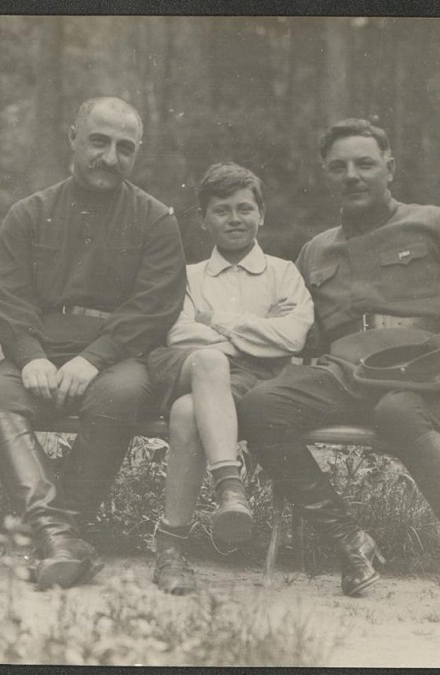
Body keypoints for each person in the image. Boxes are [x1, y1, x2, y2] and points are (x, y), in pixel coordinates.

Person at [238, 119, 440, 626]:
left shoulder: (434, 224)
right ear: (327, 176)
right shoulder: (316, 250)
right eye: (338, 167)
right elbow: (302, 334)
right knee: (260, 405)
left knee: (397, 410)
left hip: (424, 374)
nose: (352, 176)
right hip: (343, 375)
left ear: (389, 168)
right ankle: (349, 541)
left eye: (364, 164)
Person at [0, 96, 186, 589]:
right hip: (42, 348)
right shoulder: (29, 213)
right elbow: (9, 297)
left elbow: (155, 305)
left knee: (120, 394)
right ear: (72, 138)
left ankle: (60, 534)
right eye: (98, 142)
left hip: (118, 355)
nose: (110, 157)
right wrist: (30, 357)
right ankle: (63, 539)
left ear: (137, 153)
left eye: (124, 148)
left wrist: (94, 359)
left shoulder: (156, 219)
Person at [147, 163, 313, 595]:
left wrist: (217, 321)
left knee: (187, 413)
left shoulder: (283, 272)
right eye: (221, 211)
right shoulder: (189, 276)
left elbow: (292, 336)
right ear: (204, 220)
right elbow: (178, 332)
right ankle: (231, 491)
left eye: (244, 208)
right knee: (208, 362)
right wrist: (258, 333)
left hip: (259, 385)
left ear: (262, 214)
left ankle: (170, 547)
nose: (234, 219)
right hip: (197, 369)